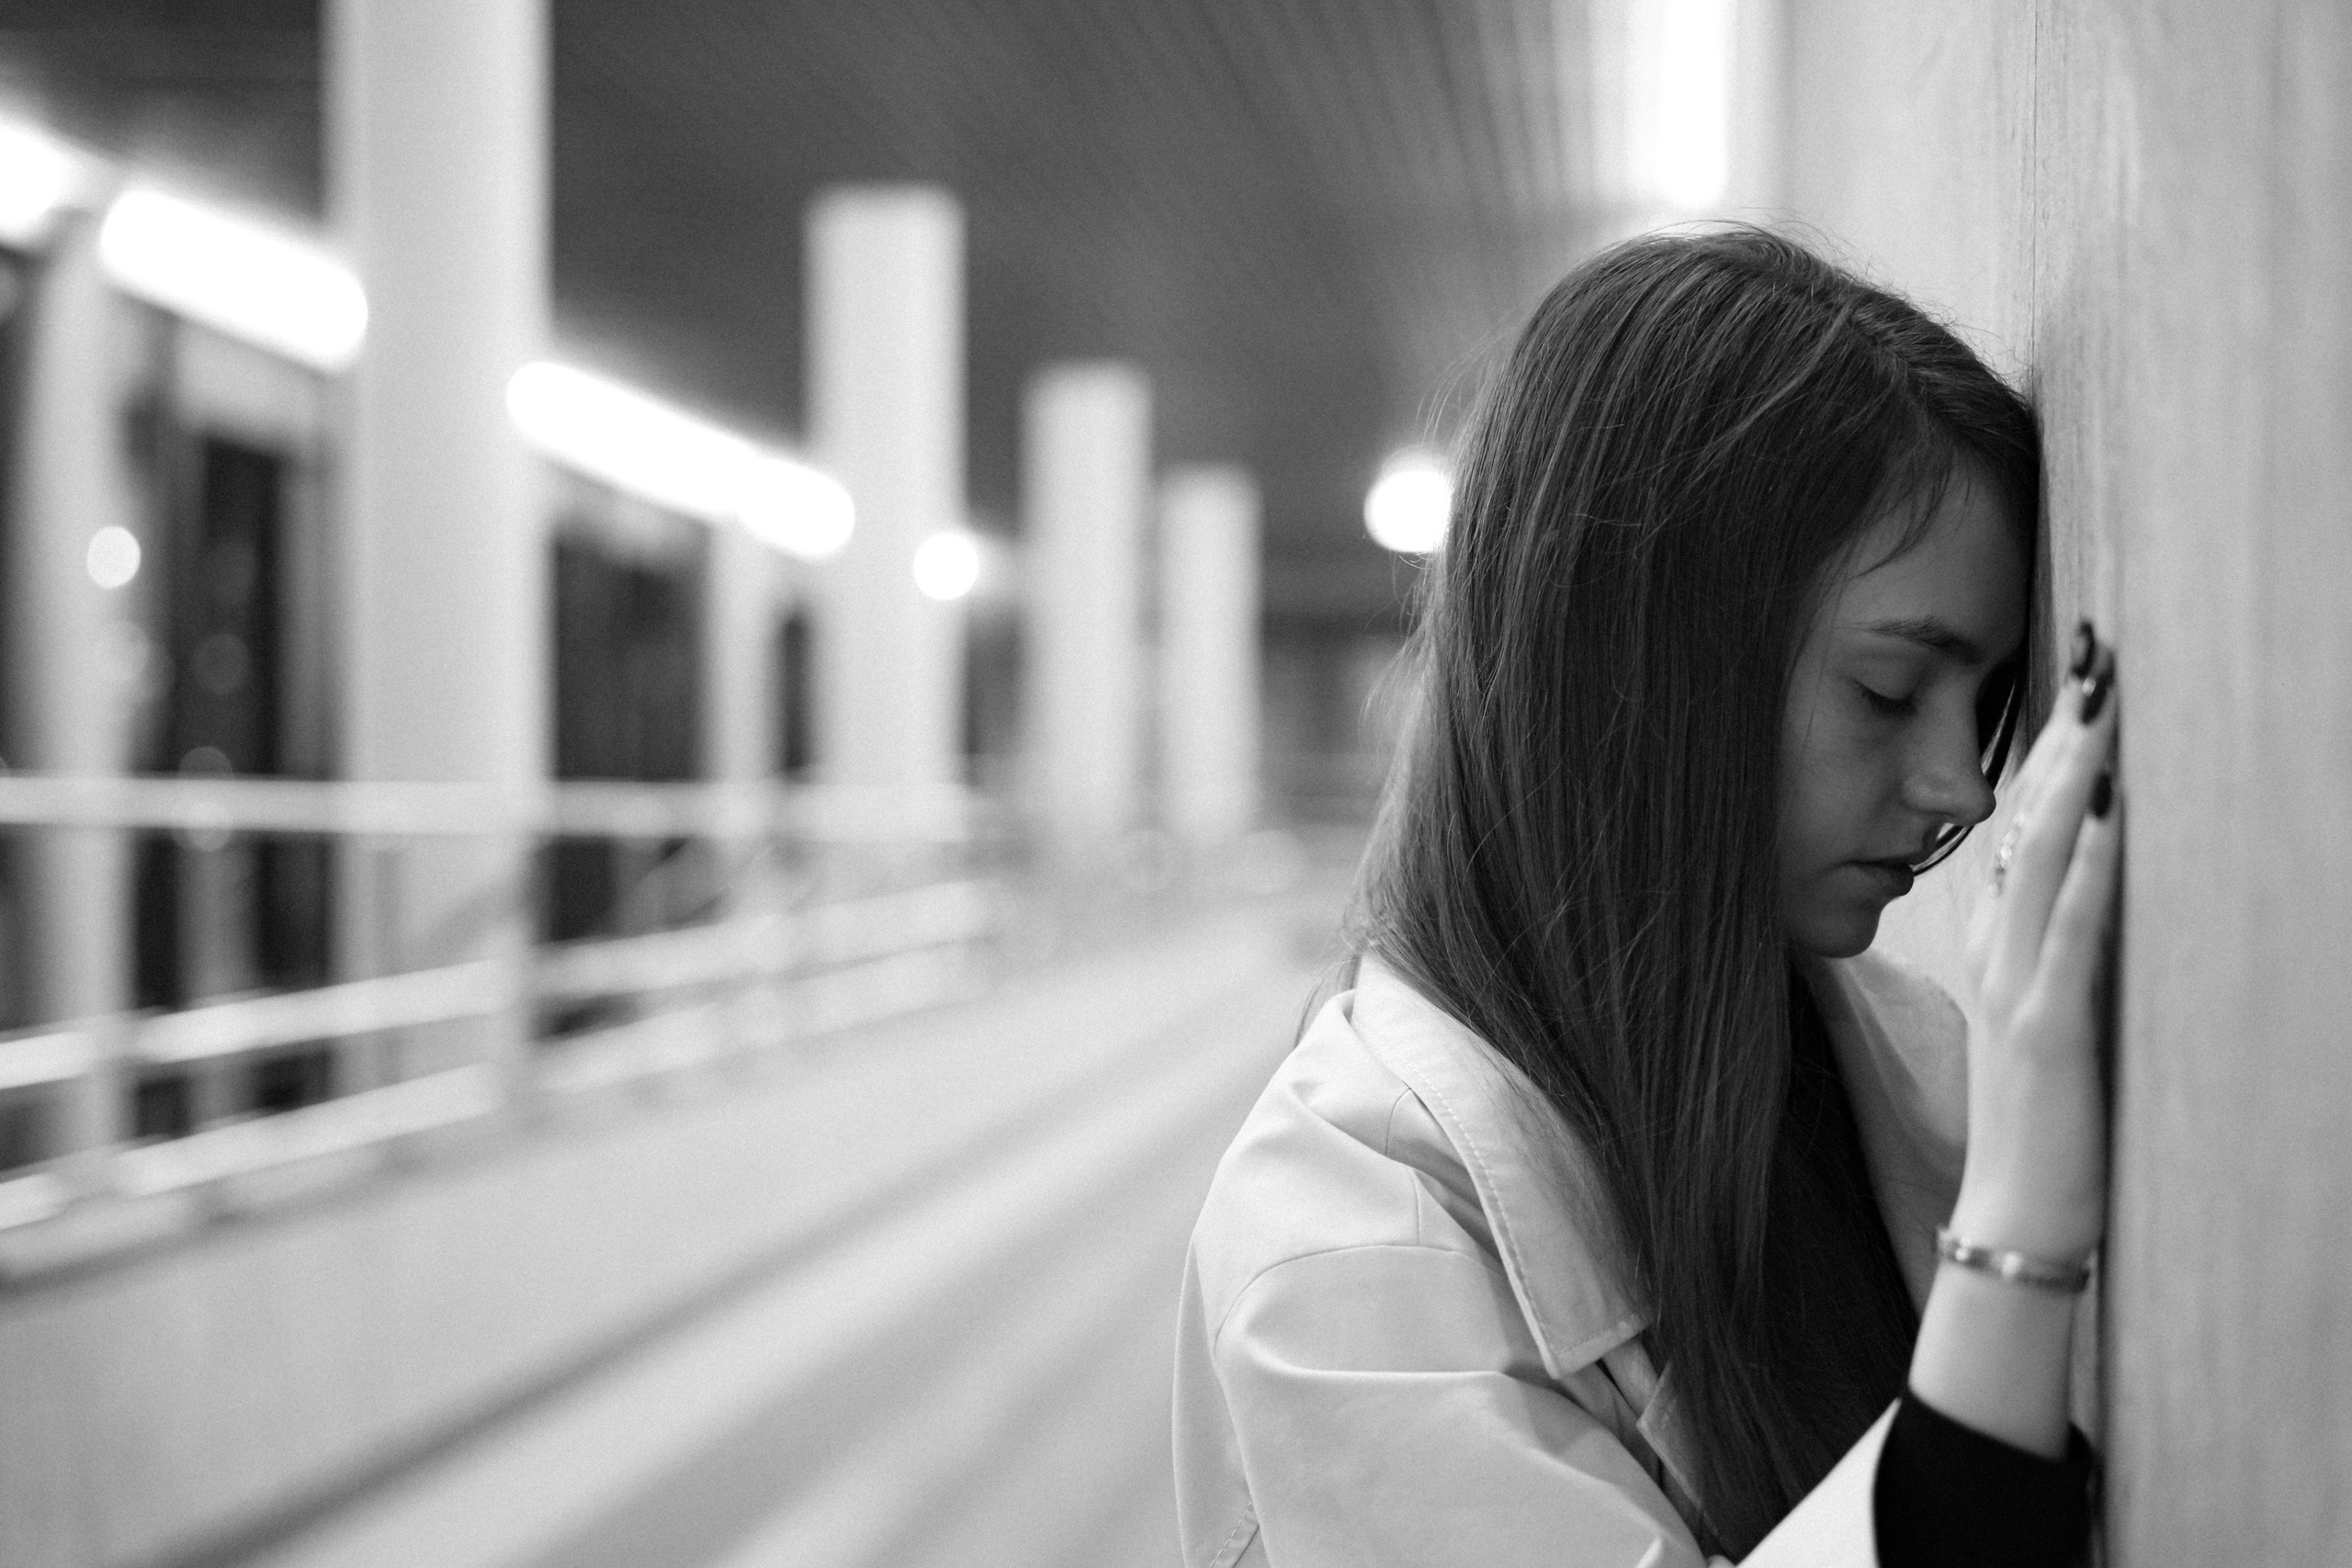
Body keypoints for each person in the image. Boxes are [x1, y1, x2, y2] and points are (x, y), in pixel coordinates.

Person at [1173, 227, 2120, 1567]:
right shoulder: (1342, 1240)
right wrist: (2018, 1243)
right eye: (1892, 692)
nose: (1963, 787)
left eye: (1985, 707)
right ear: (1649, 670)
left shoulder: (1906, 1062)